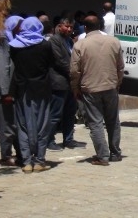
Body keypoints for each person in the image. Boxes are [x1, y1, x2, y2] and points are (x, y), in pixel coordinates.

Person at [70, 15, 124, 166]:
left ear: (85, 27)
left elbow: (74, 71)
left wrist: (75, 88)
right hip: (110, 86)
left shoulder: (80, 45)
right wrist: (118, 83)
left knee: (96, 123)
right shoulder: (114, 41)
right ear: (100, 26)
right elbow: (120, 66)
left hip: (90, 88)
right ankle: (115, 152)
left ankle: (102, 156)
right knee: (113, 121)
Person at [9, 17, 54, 173]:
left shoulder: (14, 46)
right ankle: (39, 160)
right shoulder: (45, 45)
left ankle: (27, 162)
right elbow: (50, 64)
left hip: (22, 89)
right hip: (41, 89)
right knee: (42, 124)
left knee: (22, 125)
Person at [46, 18, 86, 151]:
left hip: (70, 84)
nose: (69, 29)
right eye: (66, 26)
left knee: (70, 113)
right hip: (59, 82)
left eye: (71, 27)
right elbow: (60, 61)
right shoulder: (54, 41)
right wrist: (74, 73)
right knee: (55, 114)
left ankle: (68, 139)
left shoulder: (69, 41)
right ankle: (49, 140)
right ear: (59, 26)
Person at [0, 16, 23, 167]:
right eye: (19, 25)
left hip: (11, 90)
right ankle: (6, 155)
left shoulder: (13, 40)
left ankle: (18, 153)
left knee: (13, 123)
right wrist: (5, 92)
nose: (21, 28)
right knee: (6, 125)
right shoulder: (3, 40)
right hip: (2, 92)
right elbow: (1, 68)